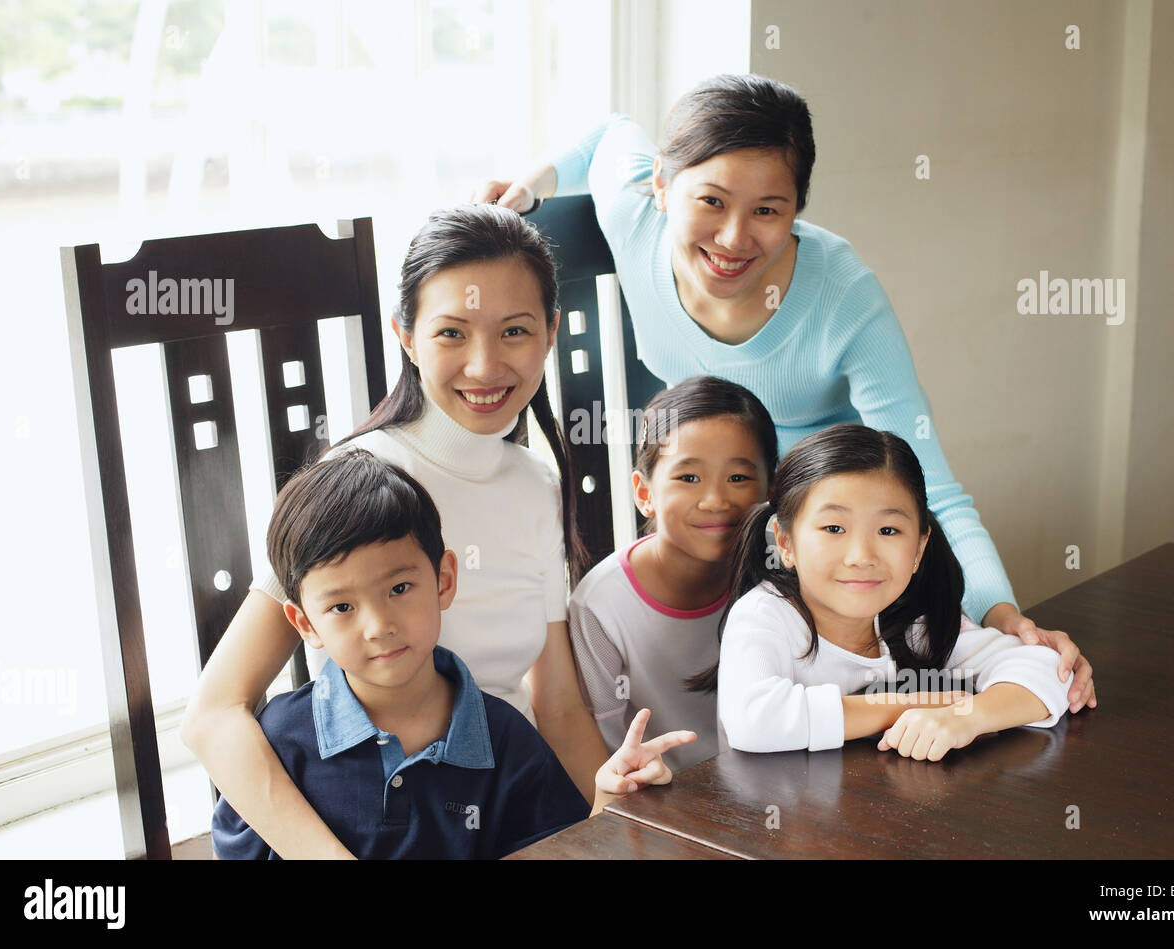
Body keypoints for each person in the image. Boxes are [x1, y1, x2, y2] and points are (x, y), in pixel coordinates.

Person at [474, 73, 1095, 713]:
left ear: (797, 208)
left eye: (767, 210)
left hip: (822, 546)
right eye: (710, 201)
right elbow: (608, 137)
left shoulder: (845, 298)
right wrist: (533, 185)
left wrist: (1003, 613)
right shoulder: (635, 218)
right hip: (721, 513)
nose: (734, 238)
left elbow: (929, 487)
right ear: (661, 184)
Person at [184, 204, 681, 860]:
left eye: (514, 331)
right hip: (376, 817)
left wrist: (610, 819)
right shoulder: (357, 485)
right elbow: (213, 715)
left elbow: (557, 704)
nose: (484, 365)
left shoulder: (536, 480)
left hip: (506, 805)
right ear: (407, 336)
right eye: (452, 333)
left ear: (551, 332)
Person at [212, 450, 590, 858]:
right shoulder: (280, 741)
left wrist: (607, 799)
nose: (379, 627)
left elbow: (560, 849)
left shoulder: (506, 740)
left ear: (444, 580)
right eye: (342, 607)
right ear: (305, 624)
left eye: (399, 589)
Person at [710, 424, 1072, 758]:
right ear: (785, 542)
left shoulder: (914, 620)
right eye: (834, 528)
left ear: (918, 548)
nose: (861, 557)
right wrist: (907, 706)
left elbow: (1048, 668)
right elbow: (753, 719)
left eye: (888, 531)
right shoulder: (764, 615)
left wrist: (967, 717)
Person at [569, 376, 777, 772]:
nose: (716, 500)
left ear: (772, 487)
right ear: (644, 493)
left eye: (738, 478)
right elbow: (605, 743)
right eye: (688, 478)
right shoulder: (600, 606)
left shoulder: (787, 577)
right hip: (664, 802)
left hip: (777, 785)